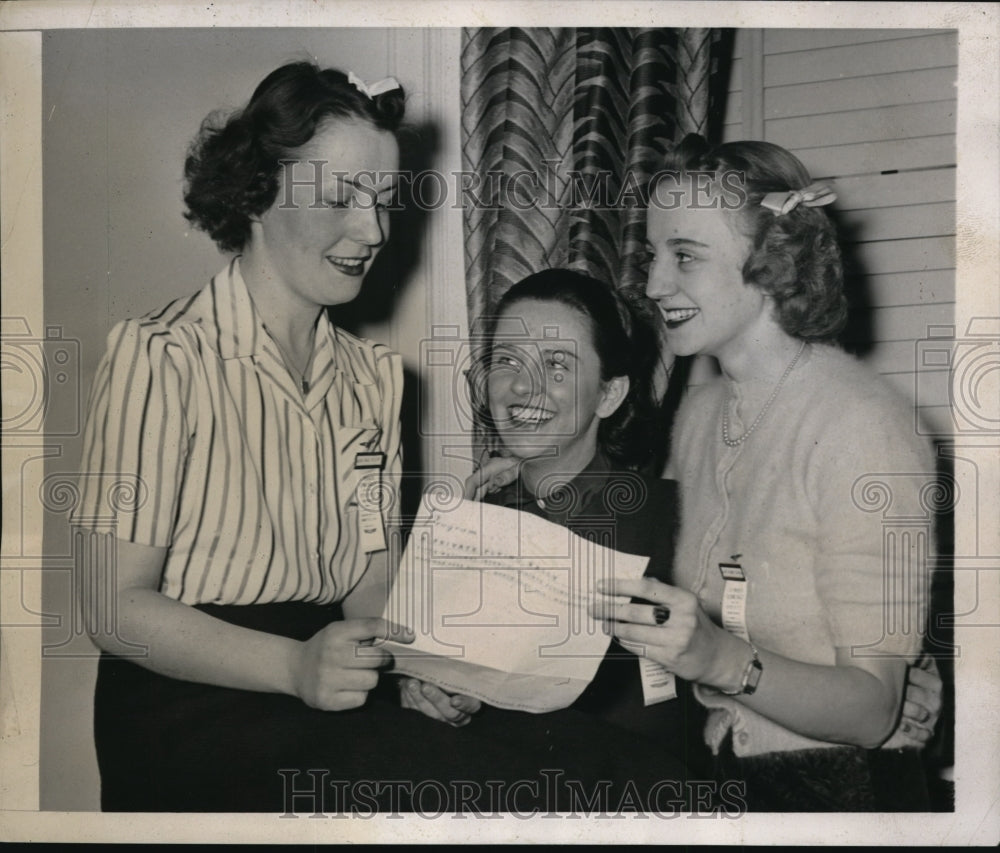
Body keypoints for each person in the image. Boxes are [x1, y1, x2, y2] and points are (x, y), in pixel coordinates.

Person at [72, 61, 477, 813]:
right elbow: (110, 605)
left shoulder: (375, 381)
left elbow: (369, 582)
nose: (374, 230)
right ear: (257, 191)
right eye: (340, 198)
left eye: (383, 200)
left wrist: (413, 664)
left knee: (587, 766)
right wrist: (292, 666)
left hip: (326, 687)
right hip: (187, 708)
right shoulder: (160, 356)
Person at [596, 133, 939, 810]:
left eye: (685, 256)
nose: (653, 284)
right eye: (653, 255)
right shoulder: (700, 414)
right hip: (729, 784)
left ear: (769, 261)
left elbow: (873, 707)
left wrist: (719, 659)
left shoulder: (862, 425)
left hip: (848, 797)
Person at [381, 268, 705, 813]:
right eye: (506, 360)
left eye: (556, 365)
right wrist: (424, 689)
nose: (522, 388)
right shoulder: (460, 522)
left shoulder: (678, 518)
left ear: (609, 394)